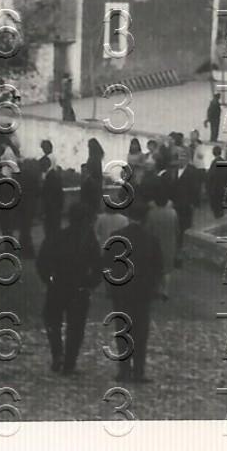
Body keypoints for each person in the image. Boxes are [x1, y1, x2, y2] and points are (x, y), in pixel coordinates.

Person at [36, 203, 101, 374]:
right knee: (76, 326)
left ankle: (57, 353)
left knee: (53, 321)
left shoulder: (57, 236)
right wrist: (90, 283)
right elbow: (99, 266)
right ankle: (70, 362)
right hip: (79, 287)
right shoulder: (89, 239)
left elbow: (42, 261)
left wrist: (48, 280)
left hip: (57, 285)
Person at [105, 198, 164, 383]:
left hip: (121, 291)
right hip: (143, 293)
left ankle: (123, 370)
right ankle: (139, 372)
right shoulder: (152, 240)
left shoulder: (116, 237)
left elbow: (105, 263)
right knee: (140, 333)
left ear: (129, 216)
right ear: (145, 218)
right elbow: (158, 268)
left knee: (123, 331)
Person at [162, 146, 203, 258]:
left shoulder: (193, 171)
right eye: (180, 156)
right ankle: (175, 249)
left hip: (186, 205)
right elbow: (169, 187)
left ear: (188, 158)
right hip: (173, 204)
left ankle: (182, 251)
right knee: (174, 228)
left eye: (184, 156)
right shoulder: (173, 170)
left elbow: (196, 189)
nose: (181, 159)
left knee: (185, 227)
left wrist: (194, 204)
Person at [145, 192, 179, 293]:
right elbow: (177, 230)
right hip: (169, 243)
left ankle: (157, 288)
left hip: (155, 244)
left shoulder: (151, 213)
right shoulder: (173, 213)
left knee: (156, 266)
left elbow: (147, 230)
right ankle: (166, 290)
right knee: (167, 268)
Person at [39, 155, 64, 236]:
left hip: (51, 209)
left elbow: (49, 195)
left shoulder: (50, 177)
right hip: (56, 208)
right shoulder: (54, 175)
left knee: (51, 230)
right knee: (55, 229)